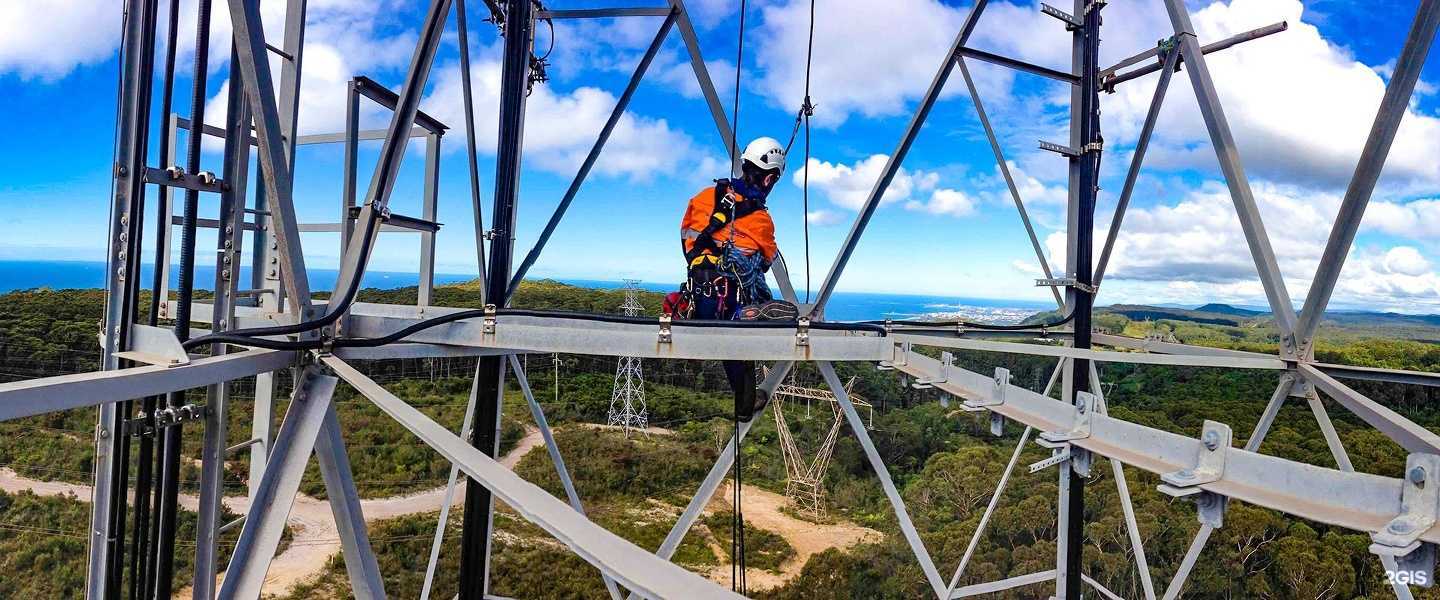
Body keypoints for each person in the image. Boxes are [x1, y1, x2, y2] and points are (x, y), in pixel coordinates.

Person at [672, 136, 797, 420]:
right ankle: (745, 405)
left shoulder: (704, 197)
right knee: (739, 341)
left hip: (701, 291)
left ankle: (743, 320)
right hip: (734, 296)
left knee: (728, 340)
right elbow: (765, 261)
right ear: (769, 180)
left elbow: (686, 240)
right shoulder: (761, 220)